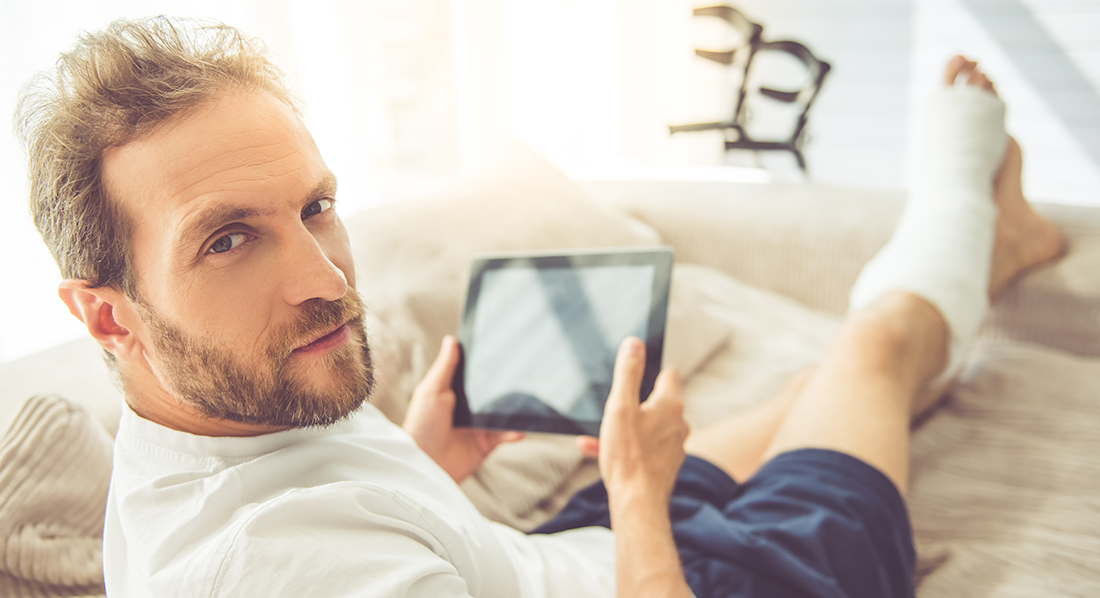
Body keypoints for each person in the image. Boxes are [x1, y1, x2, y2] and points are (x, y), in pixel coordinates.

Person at [16, 16, 1063, 598]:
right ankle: (976, 209)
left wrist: (427, 463)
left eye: (316, 207)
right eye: (228, 238)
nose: (328, 280)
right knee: (871, 349)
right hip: (689, 578)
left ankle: (988, 247)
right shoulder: (275, 574)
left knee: (807, 385)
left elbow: (341, 520)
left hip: (564, 553)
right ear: (107, 314)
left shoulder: (193, 444)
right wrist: (642, 498)